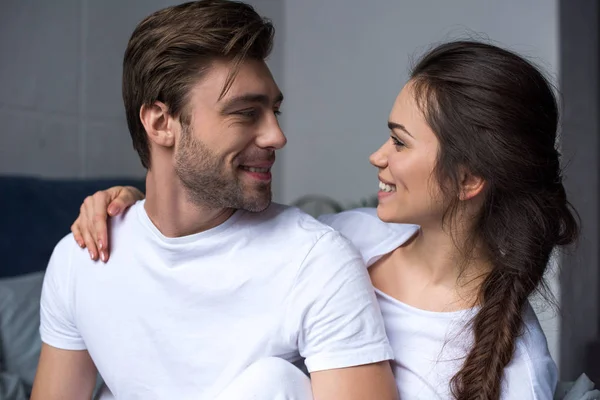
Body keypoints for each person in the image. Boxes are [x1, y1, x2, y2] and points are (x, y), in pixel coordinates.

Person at [73, 40, 581, 399]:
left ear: (469, 180)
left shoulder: (518, 372)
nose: (377, 157)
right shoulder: (344, 238)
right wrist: (136, 207)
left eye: (400, 142)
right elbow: (216, 238)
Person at [30, 1, 400, 399]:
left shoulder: (314, 262)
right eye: (246, 113)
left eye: (274, 111)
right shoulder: (81, 260)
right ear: (160, 123)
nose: (276, 136)